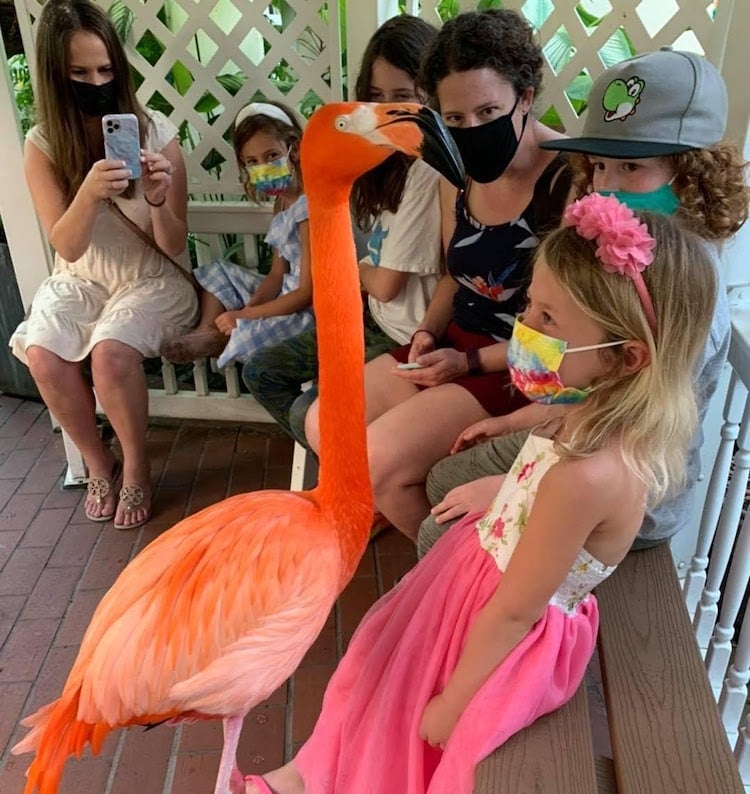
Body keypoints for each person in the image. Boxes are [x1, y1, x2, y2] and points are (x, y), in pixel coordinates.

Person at [244, 198, 717, 794]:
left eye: (550, 322)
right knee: (376, 659)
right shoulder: (603, 408)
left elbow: (517, 611)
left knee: (411, 703)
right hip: (483, 575)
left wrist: (455, 700)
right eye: (532, 305)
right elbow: (560, 437)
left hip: (500, 630)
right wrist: (506, 456)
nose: (526, 329)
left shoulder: (591, 477)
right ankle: (331, 786)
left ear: (628, 356)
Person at [418, 47, 749, 558]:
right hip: (576, 434)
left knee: (440, 533)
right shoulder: (626, 254)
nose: (605, 187)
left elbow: (634, 437)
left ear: (692, 174)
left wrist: (516, 494)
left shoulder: (686, 287)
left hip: (629, 492)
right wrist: (519, 420)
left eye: (631, 167)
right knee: (444, 481)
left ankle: (515, 629)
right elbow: (592, 385)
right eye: (598, 166)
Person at [303, 8, 573, 540]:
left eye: (488, 110)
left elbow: (564, 334)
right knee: (323, 425)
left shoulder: (569, 181)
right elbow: (456, 275)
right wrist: (427, 332)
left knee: (376, 459)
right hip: (452, 346)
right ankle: (414, 519)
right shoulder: (460, 172)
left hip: (522, 364)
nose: (471, 130)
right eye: (454, 118)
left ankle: (451, 574)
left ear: (525, 96)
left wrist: (468, 360)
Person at [10, 0, 198, 529]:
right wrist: (89, 194)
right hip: (83, 276)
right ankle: (99, 460)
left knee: (110, 355)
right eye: (79, 72)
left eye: (105, 69)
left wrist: (159, 200)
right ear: (55, 75)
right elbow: (66, 247)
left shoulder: (154, 131)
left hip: (149, 277)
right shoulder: (43, 143)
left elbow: (176, 245)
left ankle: (136, 468)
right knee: (43, 355)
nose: (96, 82)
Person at [241, 14, 442, 446]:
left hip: (406, 334)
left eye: (402, 97)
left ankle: (358, 489)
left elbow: (384, 282)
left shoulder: (425, 173)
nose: (384, 110)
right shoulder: (371, 167)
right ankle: (345, 473)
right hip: (371, 317)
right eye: (375, 98)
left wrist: (352, 266)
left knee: (308, 412)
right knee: (261, 370)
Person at [161, 101, 313, 371]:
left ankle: (220, 340)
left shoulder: (309, 208)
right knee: (219, 271)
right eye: (252, 162)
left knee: (255, 336)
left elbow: (306, 293)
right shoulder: (282, 203)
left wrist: (245, 316)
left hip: (307, 309)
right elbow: (277, 274)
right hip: (283, 292)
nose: (262, 167)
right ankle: (207, 330)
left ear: (295, 149)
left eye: (271, 156)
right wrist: (249, 310)